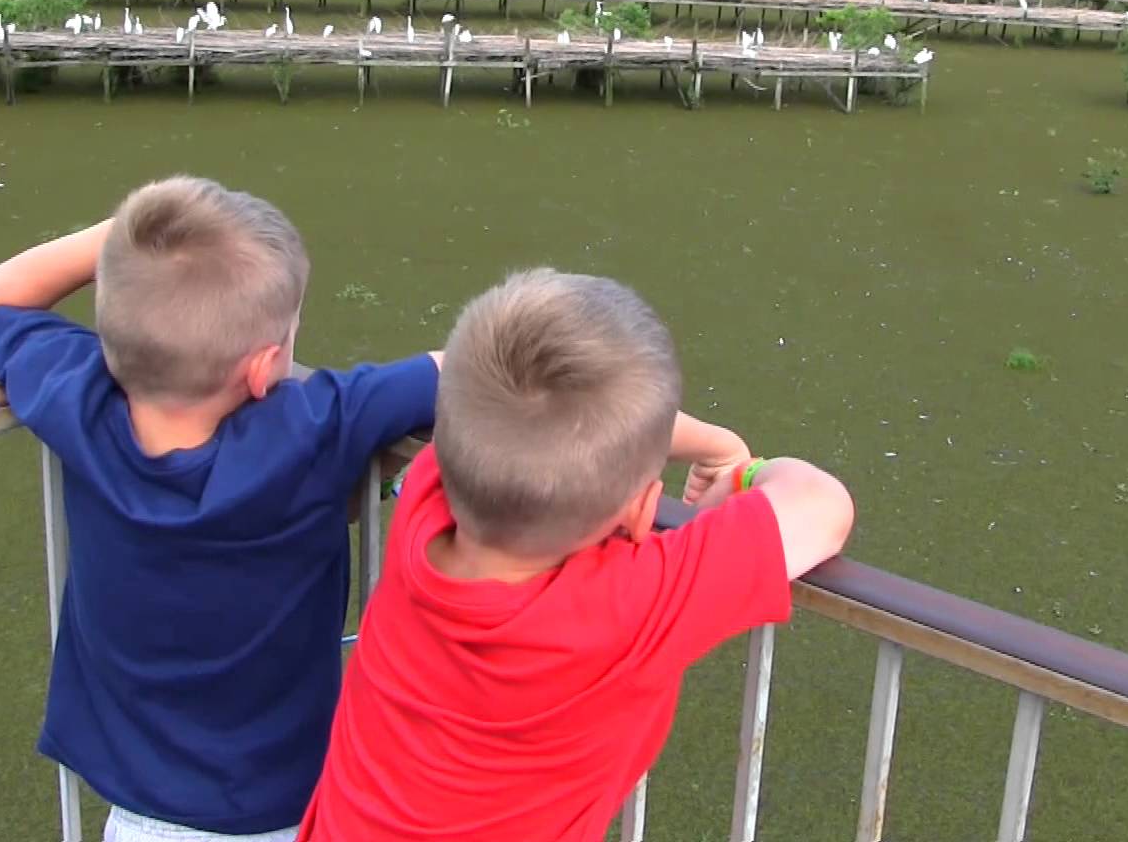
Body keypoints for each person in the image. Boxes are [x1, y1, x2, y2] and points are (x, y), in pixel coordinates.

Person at [0, 176, 439, 842]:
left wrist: (125, 235)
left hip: (138, 809)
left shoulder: (79, 401)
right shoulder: (316, 425)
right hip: (287, 806)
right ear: (263, 367)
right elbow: (461, 370)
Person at [300, 268, 855, 842]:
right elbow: (822, 505)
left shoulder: (430, 498)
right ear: (642, 511)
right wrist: (741, 464)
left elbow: (486, 395)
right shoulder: (628, 607)